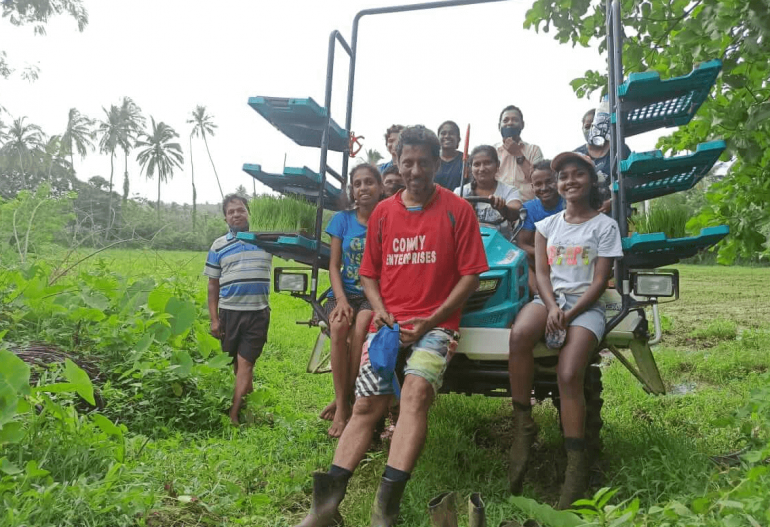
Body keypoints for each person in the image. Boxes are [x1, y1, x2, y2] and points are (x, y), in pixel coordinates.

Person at [296, 126, 489, 527]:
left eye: (423, 162)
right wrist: (381, 310)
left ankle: (386, 509)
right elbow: (368, 274)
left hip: (438, 327)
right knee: (366, 404)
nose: (415, 170)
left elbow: (470, 276)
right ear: (397, 165)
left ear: (437, 164)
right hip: (388, 325)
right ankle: (326, 507)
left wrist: (430, 322)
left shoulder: (458, 210)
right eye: (408, 162)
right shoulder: (383, 212)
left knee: (416, 394)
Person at [506, 152, 623, 509]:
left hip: (586, 306)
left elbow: (601, 281)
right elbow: (542, 273)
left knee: (570, 372)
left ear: (590, 180)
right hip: (551, 301)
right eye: (563, 177)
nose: (569, 181)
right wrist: (553, 306)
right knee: (520, 335)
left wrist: (570, 313)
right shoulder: (547, 226)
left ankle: (576, 464)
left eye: (577, 175)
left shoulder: (605, 226)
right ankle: (523, 424)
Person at [318, 164, 383, 438]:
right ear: (352, 190)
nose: (363, 188)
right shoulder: (342, 220)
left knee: (363, 323)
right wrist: (342, 300)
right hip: (343, 293)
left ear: (380, 187)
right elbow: (334, 266)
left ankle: (349, 397)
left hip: (373, 295)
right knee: (338, 326)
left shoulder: (387, 218)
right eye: (357, 183)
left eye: (369, 182)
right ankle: (343, 405)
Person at [204, 195, 272, 426]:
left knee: (246, 364)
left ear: (248, 212)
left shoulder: (265, 240)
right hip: (229, 313)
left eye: (240, 210)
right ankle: (250, 411)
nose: (236, 214)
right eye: (231, 211)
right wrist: (214, 319)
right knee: (239, 365)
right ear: (225, 217)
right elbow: (212, 285)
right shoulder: (218, 246)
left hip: (258, 312)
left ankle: (233, 415)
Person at [517, 160, 565, 296]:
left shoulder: (569, 204)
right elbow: (522, 244)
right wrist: (545, 253)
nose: (544, 188)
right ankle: (539, 295)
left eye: (549, 182)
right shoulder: (529, 208)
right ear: (532, 187)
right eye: (538, 184)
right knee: (522, 259)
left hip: (568, 255)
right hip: (542, 259)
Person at [454, 144, 521, 239]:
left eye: (487, 163)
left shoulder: (509, 190)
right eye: (477, 164)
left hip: (501, 246)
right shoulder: (460, 192)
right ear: (470, 167)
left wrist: (503, 208)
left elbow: (515, 213)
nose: (482, 169)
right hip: (469, 243)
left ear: (497, 164)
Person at [574, 108, 631, 214]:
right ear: (581, 128)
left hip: (618, 212)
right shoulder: (576, 155)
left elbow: (629, 181)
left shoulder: (620, 150)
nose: (591, 130)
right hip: (586, 214)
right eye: (587, 127)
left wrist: (613, 202)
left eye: (595, 126)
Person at [495, 105, 544, 202]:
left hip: (527, 207)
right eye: (505, 120)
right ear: (499, 126)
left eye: (514, 120)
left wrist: (518, 153)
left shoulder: (534, 150)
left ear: (522, 125)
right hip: (498, 207)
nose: (510, 123)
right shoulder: (492, 151)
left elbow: (539, 180)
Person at [435, 120, 464, 190]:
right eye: (443, 133)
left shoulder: (466, 160)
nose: (447, 136)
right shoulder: (431, 159)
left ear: (458, 139)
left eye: (451, 133)